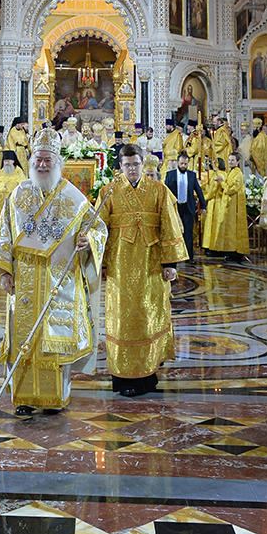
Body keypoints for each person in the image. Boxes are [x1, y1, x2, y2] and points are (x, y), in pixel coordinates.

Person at [0, 128, 106, 416]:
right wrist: (3, 272)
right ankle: (23, 398)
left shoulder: (74, 198)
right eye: (38, 159)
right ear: (31, 160)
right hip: (23, 281)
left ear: (57, 161)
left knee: (54, 342)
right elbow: (3, 234)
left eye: (47, 159)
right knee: (24, 338)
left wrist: (90, 242)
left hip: (58, 281)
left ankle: (54, 399)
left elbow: (99, 228)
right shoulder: (18, 194)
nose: (42, 164)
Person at [100, 144, 186, 395]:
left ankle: (148, 375)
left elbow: (170, 227)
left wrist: (170, 263)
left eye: (136, 164)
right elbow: (100, 231)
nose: (132, 169)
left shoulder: (159, 191)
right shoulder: (109, 192)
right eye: (127, 165)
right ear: (121, 166)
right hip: (119, 267)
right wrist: (103, 264)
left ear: (143, 164)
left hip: (151, 265)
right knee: (122, 320)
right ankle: (122, 378)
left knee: (149, 317)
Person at [203, 152, 250, 262]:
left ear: (238, 162)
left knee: (234, 229)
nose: (230, 162)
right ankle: (230, 250)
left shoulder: (238, 173)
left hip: (235, 207)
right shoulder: (230, 172)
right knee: (230, 229)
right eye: (229, 160)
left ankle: (236, 252)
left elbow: (230, 189)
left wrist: (221, 182)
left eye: (233, 160)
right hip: (230, 206)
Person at [165, 149, 206, 260]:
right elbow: (165, 191)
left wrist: (203, 205)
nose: (183, 166)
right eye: (182, 163)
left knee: (188, 232)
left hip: (188, 207)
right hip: (175, 207)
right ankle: (174, 256)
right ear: (178, 163)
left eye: (186, 164)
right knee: (174, 232)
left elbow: (198, 190)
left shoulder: (192, 175)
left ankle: (189, 257)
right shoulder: (170, 175)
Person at [0, 149, 26, 221]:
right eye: (5, 161)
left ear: (13, 161)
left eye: (8, 161)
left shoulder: (19, 172)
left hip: (13, 202)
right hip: (0, 202)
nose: (6, 163)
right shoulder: (1, 172)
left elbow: (22, 187)